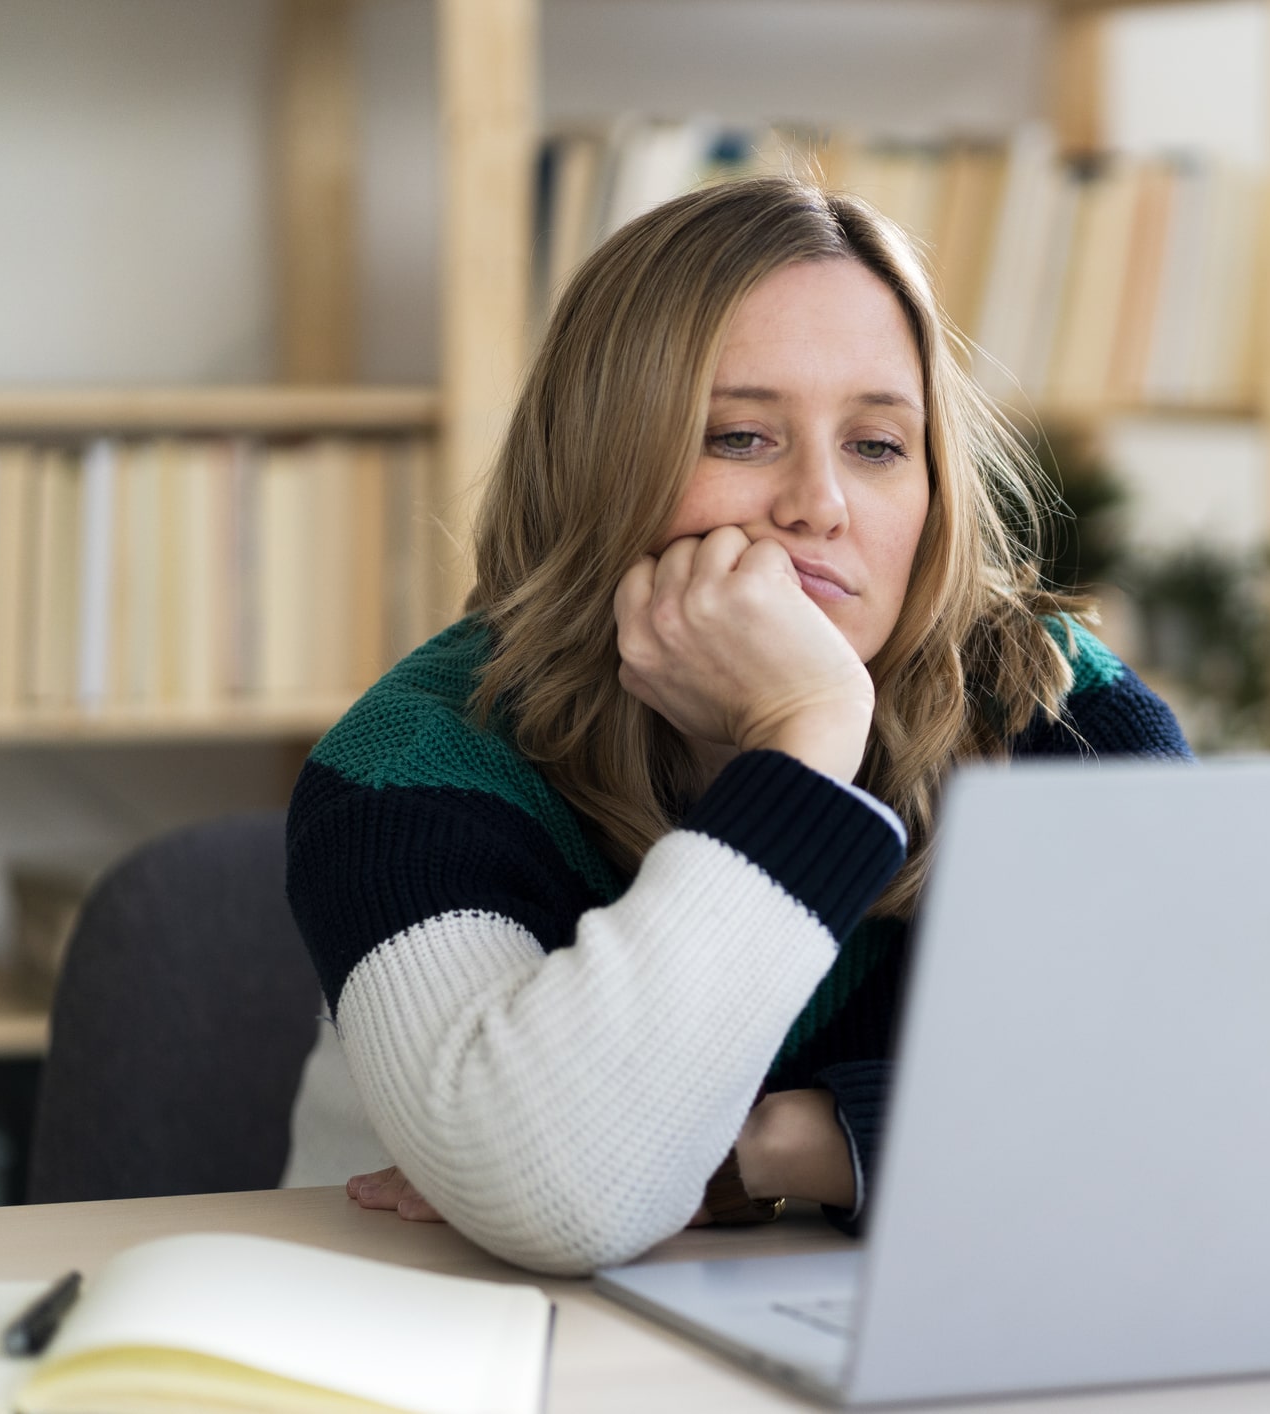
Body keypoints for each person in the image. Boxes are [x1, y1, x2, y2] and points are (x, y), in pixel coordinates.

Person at [283, 175, 1191, 1277]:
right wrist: (806, 734)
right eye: (744, 436)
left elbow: (1201, 1101)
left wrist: (767, 1143)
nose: (821, 503)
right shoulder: (412, 761)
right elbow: (563, 1193)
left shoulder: (1052, 700)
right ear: (599, 467)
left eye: (877, 445)